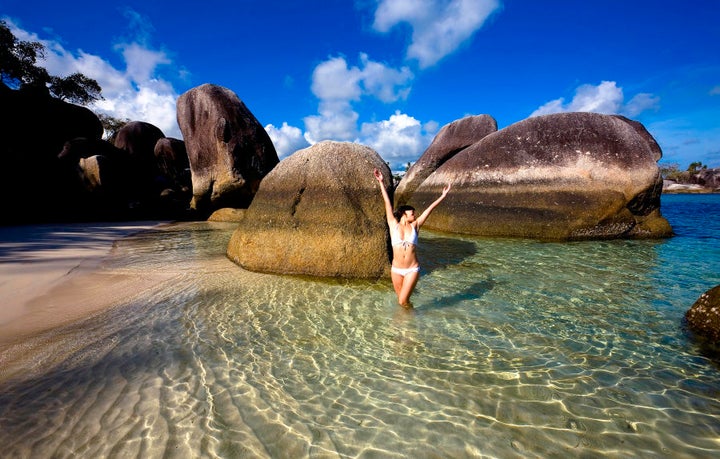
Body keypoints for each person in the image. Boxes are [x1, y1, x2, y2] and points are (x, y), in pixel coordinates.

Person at [373, 168, 451, 308]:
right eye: (412, 213)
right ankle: (408, 325)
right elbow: (387, 204)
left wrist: (442, 196)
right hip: (396, 270)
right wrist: (381, 182)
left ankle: (408, 325)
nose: (414, 215)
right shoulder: (393, 225)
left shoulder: (415, 226)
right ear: (404, 213)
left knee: (402, 301)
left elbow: (429, 210)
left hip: (412, 269)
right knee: (403, 303)